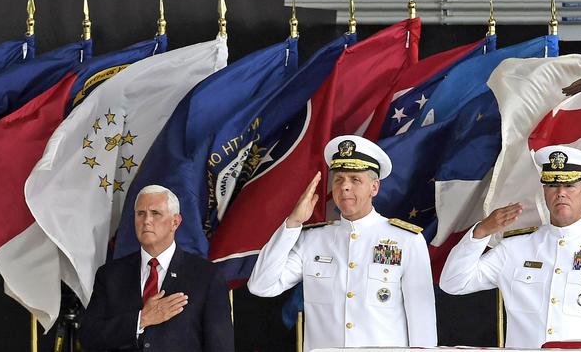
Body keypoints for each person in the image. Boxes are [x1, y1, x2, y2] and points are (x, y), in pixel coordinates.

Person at [440, 145, 581, 348]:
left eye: (570, 185)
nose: (561, 193)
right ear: (544, 191)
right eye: (552, 186)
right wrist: (481, 232)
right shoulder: (515, 248)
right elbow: (454, 282)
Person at [247, 135, 437, 351]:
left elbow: (422, 319)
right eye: (339, 179)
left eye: (355, 179)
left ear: (374, 187)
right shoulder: (312, 240)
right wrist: (293, 223)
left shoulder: (406, 240)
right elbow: (261, 286)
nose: (345, 187)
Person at [80, 185, 234, 352]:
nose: (146, 220)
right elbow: (89, 338)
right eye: (141, 214)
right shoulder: (110, 275)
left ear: (175, 222)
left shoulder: (207, 276)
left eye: (155, 213)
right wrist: (141, 320)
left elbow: (220, 346)